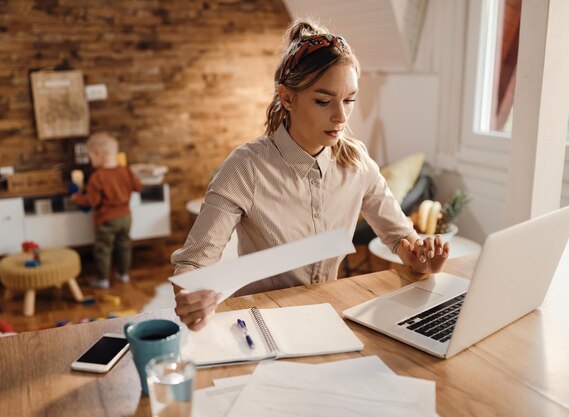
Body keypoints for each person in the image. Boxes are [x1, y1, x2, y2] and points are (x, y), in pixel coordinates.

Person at [171, 19, 450, 331]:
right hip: (262, 327)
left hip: (327, 321)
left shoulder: (356, 163)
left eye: (349, 99)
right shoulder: (244, 168)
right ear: (288, 98)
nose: (341, 116)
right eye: (323, 100)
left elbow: (401, 238)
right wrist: (189, 293)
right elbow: (193, 264)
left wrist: (420, 259)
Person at [71, 132, 143, 289]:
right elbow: (138, 187)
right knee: (124, 245)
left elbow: (92, 201)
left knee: (103, 249)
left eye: (90, 157)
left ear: (98, 154)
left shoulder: (97, 177)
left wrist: (76, 198)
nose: (90, 161)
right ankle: (123, 274)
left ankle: (103, 279)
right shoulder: (125, 170)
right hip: (125, 217)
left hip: (106, 219)